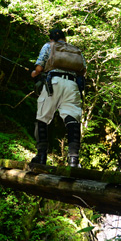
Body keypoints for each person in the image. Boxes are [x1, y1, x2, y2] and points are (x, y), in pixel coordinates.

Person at [30, 28, 87, 167]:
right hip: (72, 85)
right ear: (64, 39)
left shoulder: (48, 46)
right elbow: (83, 70)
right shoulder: (75, 49)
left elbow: (39, 68)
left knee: (42, 117)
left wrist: (33, 74)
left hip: (53, 83)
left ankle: (41, 156)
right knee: (72, 119)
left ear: (51, 39)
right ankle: (73, 160)